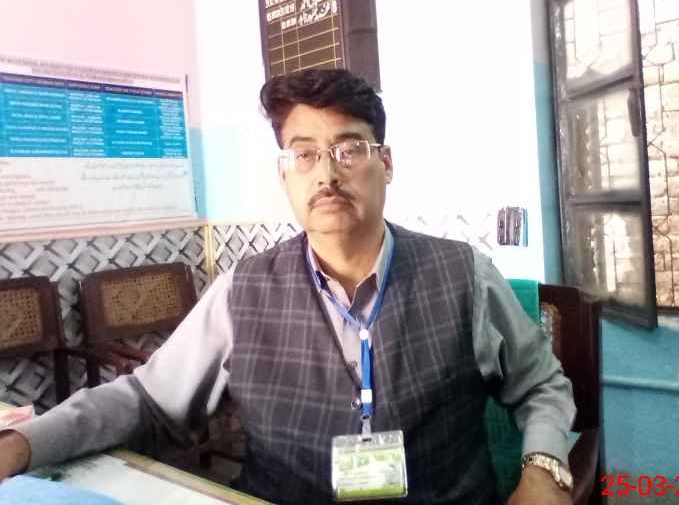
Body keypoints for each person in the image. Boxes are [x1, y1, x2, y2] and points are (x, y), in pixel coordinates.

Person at [0, 69, 576, 504]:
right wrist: (25, 444)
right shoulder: (242, 290)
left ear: (386, 163)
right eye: (304, 154)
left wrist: (544, 468)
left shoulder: (463, 275)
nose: (326, 173)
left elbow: (541, 384)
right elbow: (145, 398)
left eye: (349, 149)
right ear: (285, 174)